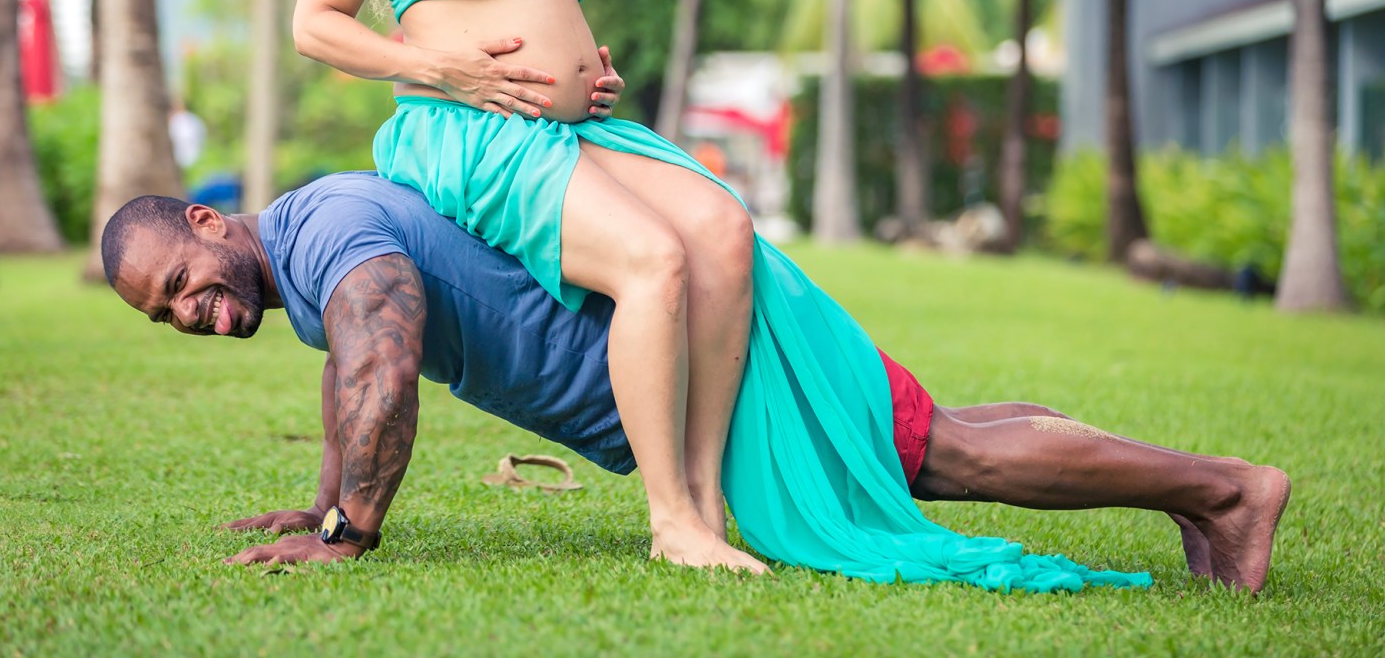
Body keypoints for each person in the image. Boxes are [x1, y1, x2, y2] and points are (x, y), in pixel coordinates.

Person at [100, 173, 1291, 593]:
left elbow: (384, 352)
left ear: (208, 223)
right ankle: (1199, 498)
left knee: (939, 455)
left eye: (185, 284)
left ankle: (1226, 491)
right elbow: (347, 371)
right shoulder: (306, 256)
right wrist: (315, 499)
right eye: (172, 317)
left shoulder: (320, 236)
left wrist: (349, 536)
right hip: (685, 364)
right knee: (936, 431)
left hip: (695, 365)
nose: (196, 316)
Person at [291, 0, 759, 572]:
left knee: (724, 229)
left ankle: (705, 500)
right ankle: (670, 520)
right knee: (653, 259)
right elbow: (314, 23)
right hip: (472, 131)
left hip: (579, 125)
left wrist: (592, 65)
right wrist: (440, 68)